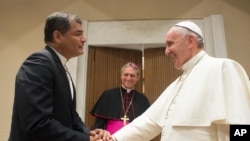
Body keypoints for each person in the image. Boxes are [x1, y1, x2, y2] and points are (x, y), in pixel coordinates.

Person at [111, 21, 250, 141]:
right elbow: (149, 122)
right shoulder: (177, 84)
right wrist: (113, 139)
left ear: (190, 41)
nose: (166, 51)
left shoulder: (222, 68)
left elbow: (241, 123)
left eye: (170, 44)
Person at [8, 12, 112, 141]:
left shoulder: (59, 65)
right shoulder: (39, 63)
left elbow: (70, 116)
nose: (84, 39)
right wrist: (85, 139)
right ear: (57, 36)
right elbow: (37, 124)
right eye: (78, 34)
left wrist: (89, 133)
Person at [90, 62, 150, 134]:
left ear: (137, 78)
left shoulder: (142, 100)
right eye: (126, 74)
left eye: (132, 75)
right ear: (121, 76)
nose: (128, 78)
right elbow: (99, 124)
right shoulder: (108, 95)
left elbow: (146, 127)